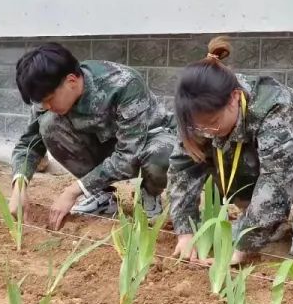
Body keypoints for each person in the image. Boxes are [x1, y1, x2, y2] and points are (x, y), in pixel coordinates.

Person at [167, 37, 293, 263]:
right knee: (221, 150)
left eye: (213, 122)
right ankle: (261, 219)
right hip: (268, 159)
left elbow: (277, 176)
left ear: (234, 98)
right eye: (199, 125)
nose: (207, 130)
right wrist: (185, 231)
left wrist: (245, 247)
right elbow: (181, 170)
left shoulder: (273, 105)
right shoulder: (197, 114)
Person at [10, 43, 176, 231]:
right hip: (106, 144)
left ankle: (149, 194)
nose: (46, 106)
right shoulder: (48, 92)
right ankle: (102, 196)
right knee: (48, 125)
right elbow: (28, 144)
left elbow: (128, 155)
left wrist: (72, 191)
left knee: (161, 153)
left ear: (71, 81)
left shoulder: (123, 84)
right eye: (41, 102)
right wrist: (19, 186)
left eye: (49, 99)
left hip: (145, 142)